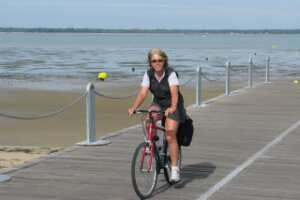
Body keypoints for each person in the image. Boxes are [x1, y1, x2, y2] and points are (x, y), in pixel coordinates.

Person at [128, 48, 186, 183]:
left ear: (164, 61)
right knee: (149, 119)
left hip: (173, 104)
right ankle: (156, 143)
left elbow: (175, 93)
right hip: (158, 102)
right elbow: (143, 93)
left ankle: (174, 168)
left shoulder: (170, 73)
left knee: (170, 135)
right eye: (154, 61)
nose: (157, 63)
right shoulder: (148, 74)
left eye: (160, 60)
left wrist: (172, 107)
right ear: (150, 62)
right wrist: (134, 108)